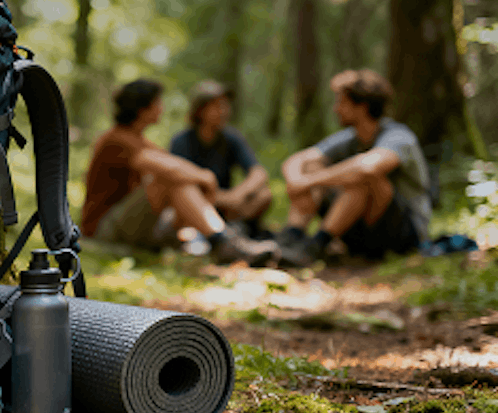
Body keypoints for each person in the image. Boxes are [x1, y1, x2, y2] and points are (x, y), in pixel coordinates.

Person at [80, 78, 279, 267]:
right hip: (104, 229)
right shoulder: (116, 140)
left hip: (137, 225)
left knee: (260, 195)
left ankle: (222, 239)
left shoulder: (142, 142)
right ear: (142, 108)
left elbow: (256, 171)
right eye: (158, 103)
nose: (162, 108)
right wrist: (205, 177)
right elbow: (169, 168)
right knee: (169, 179)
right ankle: (221, 240)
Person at [275, 68, 432, 267]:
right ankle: (291, 237)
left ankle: (316, 245)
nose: (335, 109)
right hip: (364, 232)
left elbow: (368, 168)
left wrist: (308, 182)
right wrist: (297, 181)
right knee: (312, 166)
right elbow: (296, 161)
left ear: (362, 106)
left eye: (341, 102)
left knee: (362, 177)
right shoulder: (351, 137)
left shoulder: (399, 136)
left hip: (403, 234)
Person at [170, 80, 273, 239]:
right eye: (217, 106)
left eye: (226, 106)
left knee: (264, 195)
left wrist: (238, 194)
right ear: (200, 111)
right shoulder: (181, 142)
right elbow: (176, 183)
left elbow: (258, 172)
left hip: (228, 204)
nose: (224, 111)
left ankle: (238, 231)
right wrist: (217, 196)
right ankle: (211, 235)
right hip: (196, 203)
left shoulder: (231, 138)